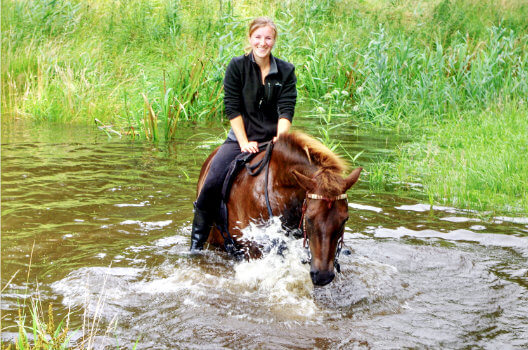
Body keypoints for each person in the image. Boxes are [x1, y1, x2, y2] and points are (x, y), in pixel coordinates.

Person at [190, 16, 297, 252]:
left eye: (268, 38)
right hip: (241, 139)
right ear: (250, 39)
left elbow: (286, 108)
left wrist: (281, 139)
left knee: (309, 183)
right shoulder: (237, 66)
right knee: (211, 183)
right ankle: (196, 244)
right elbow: (232, 107)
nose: (262, 43)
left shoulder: (286, 70)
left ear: (274, 41)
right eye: (258, 37)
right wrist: (243, 141)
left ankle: (315, 240)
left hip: (275, 140)